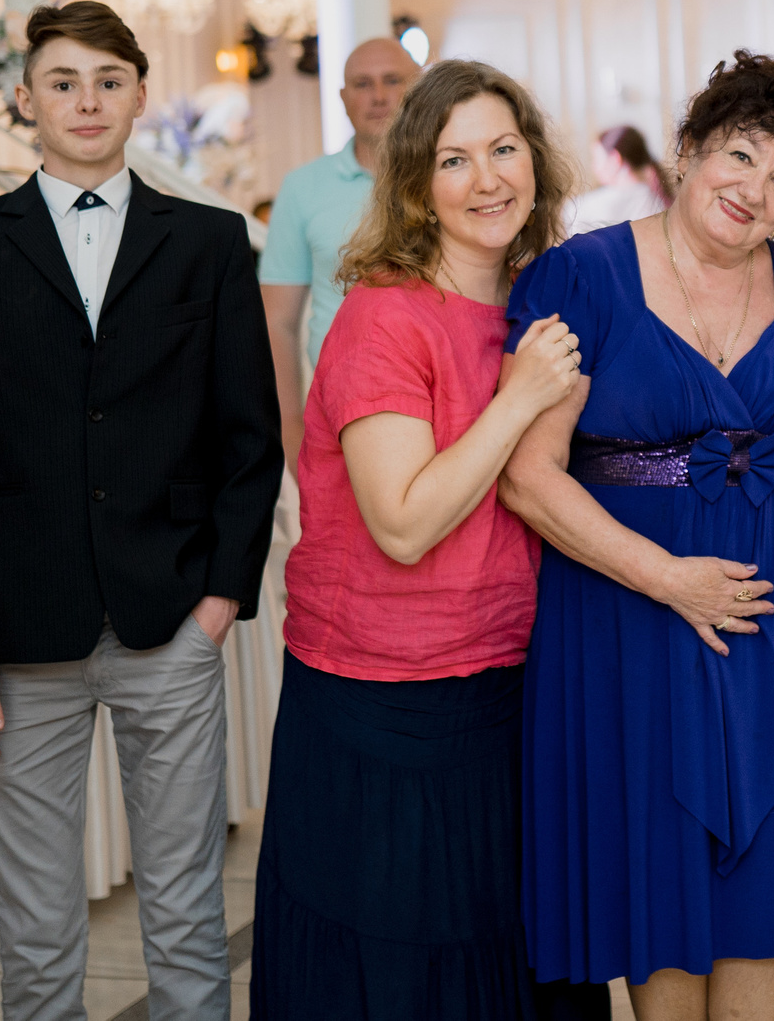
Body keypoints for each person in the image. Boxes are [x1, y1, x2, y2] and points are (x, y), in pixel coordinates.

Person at [0, 0, 283, 1021]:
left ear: (139, 97)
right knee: (36, 935)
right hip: (13, 635)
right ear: (26, 99)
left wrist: (218, 604)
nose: (87, 100)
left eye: (108, 81)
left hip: (171, 622)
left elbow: (250, 440)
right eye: (64, 81)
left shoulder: (208, 243)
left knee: (187, 914)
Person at [253, 59, 608, 1019]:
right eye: (456, 159)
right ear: (416, 185)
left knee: (511, 949)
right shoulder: (383, 315)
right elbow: (403, 522)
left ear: (534, 161)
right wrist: (519, 397)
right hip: (383, 701)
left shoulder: (541, 302)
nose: (488, 178)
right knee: (398, 967)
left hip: (510, 678)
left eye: (504, 149)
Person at [496, 52, 774, 1021]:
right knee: (660, 907)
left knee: (760, 900)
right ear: (688, 151)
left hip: (760, 622)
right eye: (740, 156)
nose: (756, 191)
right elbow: (530, 477)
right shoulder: (582, 276)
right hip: (626, 621)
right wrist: (669, 580)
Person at [262, 37, 422, 466]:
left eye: (393, 80)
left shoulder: (444, 177)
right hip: (337, 417)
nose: (379, 96)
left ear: (419, 87)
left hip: (442, 405)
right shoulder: (302, 187)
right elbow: (277, 322)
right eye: (362, 84)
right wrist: (289, 428)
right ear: (343, 97)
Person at [564, 126, 669, 237]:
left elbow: (571, 214)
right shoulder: (658, 197)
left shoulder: (583, 207)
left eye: (596, 158)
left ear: (615, 159)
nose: (594, 167)